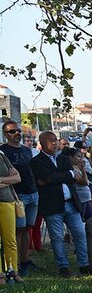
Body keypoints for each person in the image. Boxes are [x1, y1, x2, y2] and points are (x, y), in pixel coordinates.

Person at [30, 131, 91, 276]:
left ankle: (84, 264)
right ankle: (63, 267)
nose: (54, 143)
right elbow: (47, 178)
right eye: (50, 141)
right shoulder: (36, 161)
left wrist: (58, 177)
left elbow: (70, 177)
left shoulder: (64, 159)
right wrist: (63, 176)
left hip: (71, 203)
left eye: (55, 140)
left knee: (80, 233)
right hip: (52, 205)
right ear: (42, 143)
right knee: (57, 238)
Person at [1, 120, 39, 275]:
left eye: (18, 131)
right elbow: (12, 176)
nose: (17, 133)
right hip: (17, 196)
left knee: (28, 228)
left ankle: (25, 260)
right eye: (12, 131)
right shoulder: (3, 152)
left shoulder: (26, 150)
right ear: (5, 135)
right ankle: (14, 263)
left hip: (32, 192)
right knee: (17, 230)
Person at [0, 148, 22, 283]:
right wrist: (8, 180)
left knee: (10, 240)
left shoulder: (1, 154)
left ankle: (13, 271)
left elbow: (17, 177)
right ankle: (0, 274)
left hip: (7, 201)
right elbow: (12, 178)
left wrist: (1, 180)